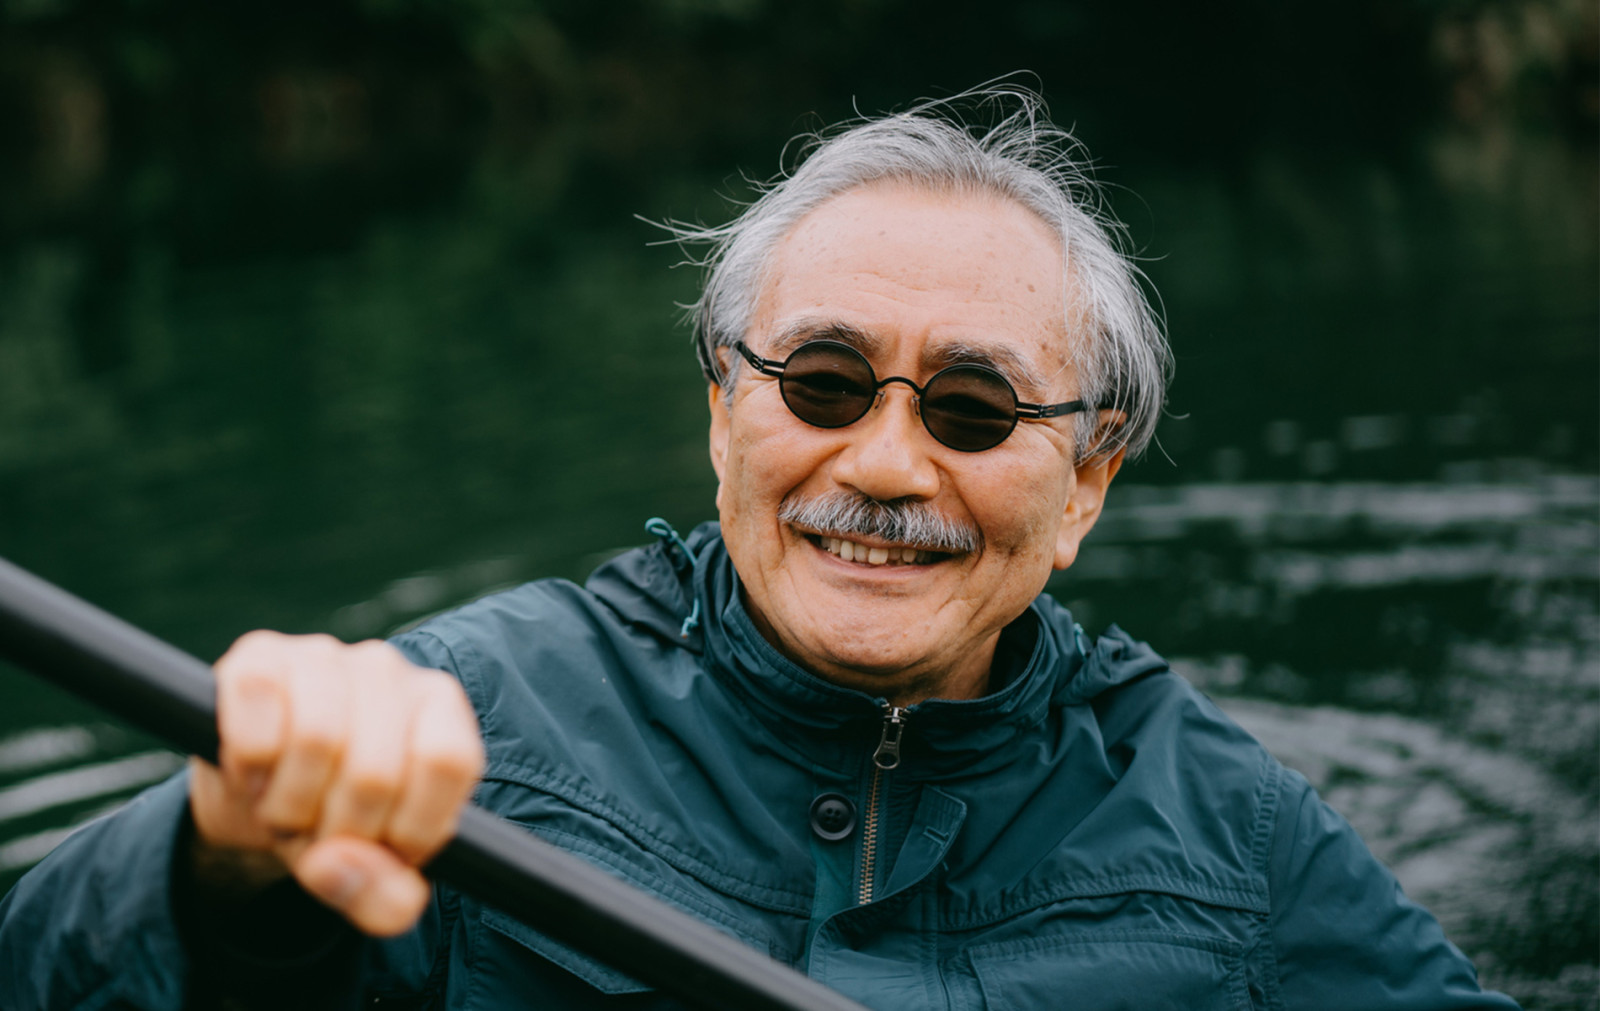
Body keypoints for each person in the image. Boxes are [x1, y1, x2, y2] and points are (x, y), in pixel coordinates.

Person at [0, 86, 1519, 1010]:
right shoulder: (459, 725)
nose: (886, 464)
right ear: (726, 414)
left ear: (1085, 486)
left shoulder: (1241, 849)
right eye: (824, 383)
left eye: (976, 411)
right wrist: (218, 861)